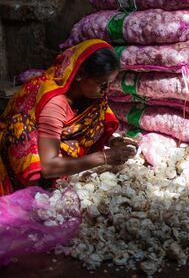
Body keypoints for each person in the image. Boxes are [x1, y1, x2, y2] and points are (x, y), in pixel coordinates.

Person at [0, 39, 136, 196]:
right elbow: (49, 166)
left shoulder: (91, 96)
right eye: (102, 83)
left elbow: (89, 126)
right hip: (29, 168)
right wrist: (103, 157)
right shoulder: (55, 104)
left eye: (109, 83)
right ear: (79, 75)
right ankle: (32, 191)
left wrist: (111, 140)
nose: (106, 90)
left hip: (52, 152)